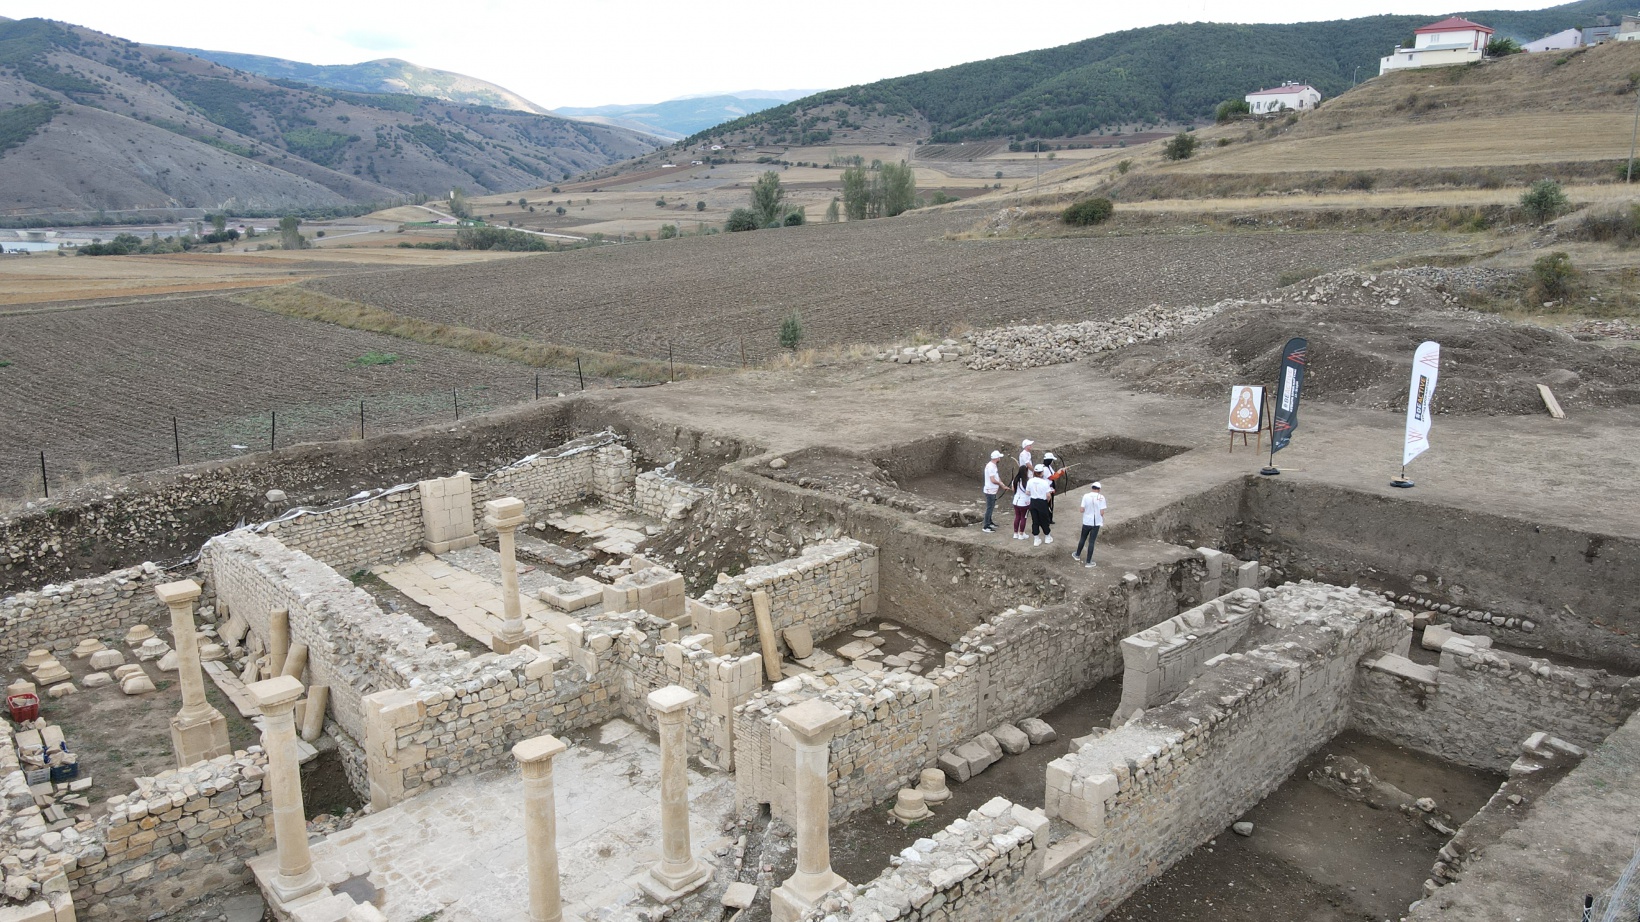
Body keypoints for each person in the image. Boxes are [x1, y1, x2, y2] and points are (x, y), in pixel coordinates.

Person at [1075, 482, 1106, 567]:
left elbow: (1081, 510)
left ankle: (1077, 554)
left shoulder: (1086, 496)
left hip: (1087, 521)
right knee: (1091, 541)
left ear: (1092, 488)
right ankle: (1088, 562)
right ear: (1099, 489)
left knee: (1082, 538)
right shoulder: (1101, 497)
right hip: (1096, 523)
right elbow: (1102, 512)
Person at [1026, 464, 1055, 545]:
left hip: (1033, 502)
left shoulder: (1030, 481)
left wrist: (1034, 493)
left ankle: (1036, 539)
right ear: (1042, 472)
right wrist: (1047, 502)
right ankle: (1047, 537)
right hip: (1042, 502)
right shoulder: (1044, 482)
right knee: (1044, 520)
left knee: (1035, 520)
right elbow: (1048, 495)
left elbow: (1027, 492)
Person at [981, 450, 1005, 533]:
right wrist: (1001, 484)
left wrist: (1002, 484)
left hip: (992, 490)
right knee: (989, 508)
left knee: (991, 507)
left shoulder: (993, 465)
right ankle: (986, 526)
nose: (1000, 459)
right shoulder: (991, 466)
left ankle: (989, 522)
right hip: (990, 490)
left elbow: (996, 477)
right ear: (996, 458)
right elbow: (993, 480)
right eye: (999, 457)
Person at [1010, 464, 1032, 539]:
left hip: (1016, 501)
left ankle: (1015, 533)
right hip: (1024, 502)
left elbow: (1013, 489)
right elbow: (1028, 492)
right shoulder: (1027, 481)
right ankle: (1021, 534)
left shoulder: (1015, 480)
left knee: (1017, 517)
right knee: (1023, 517)